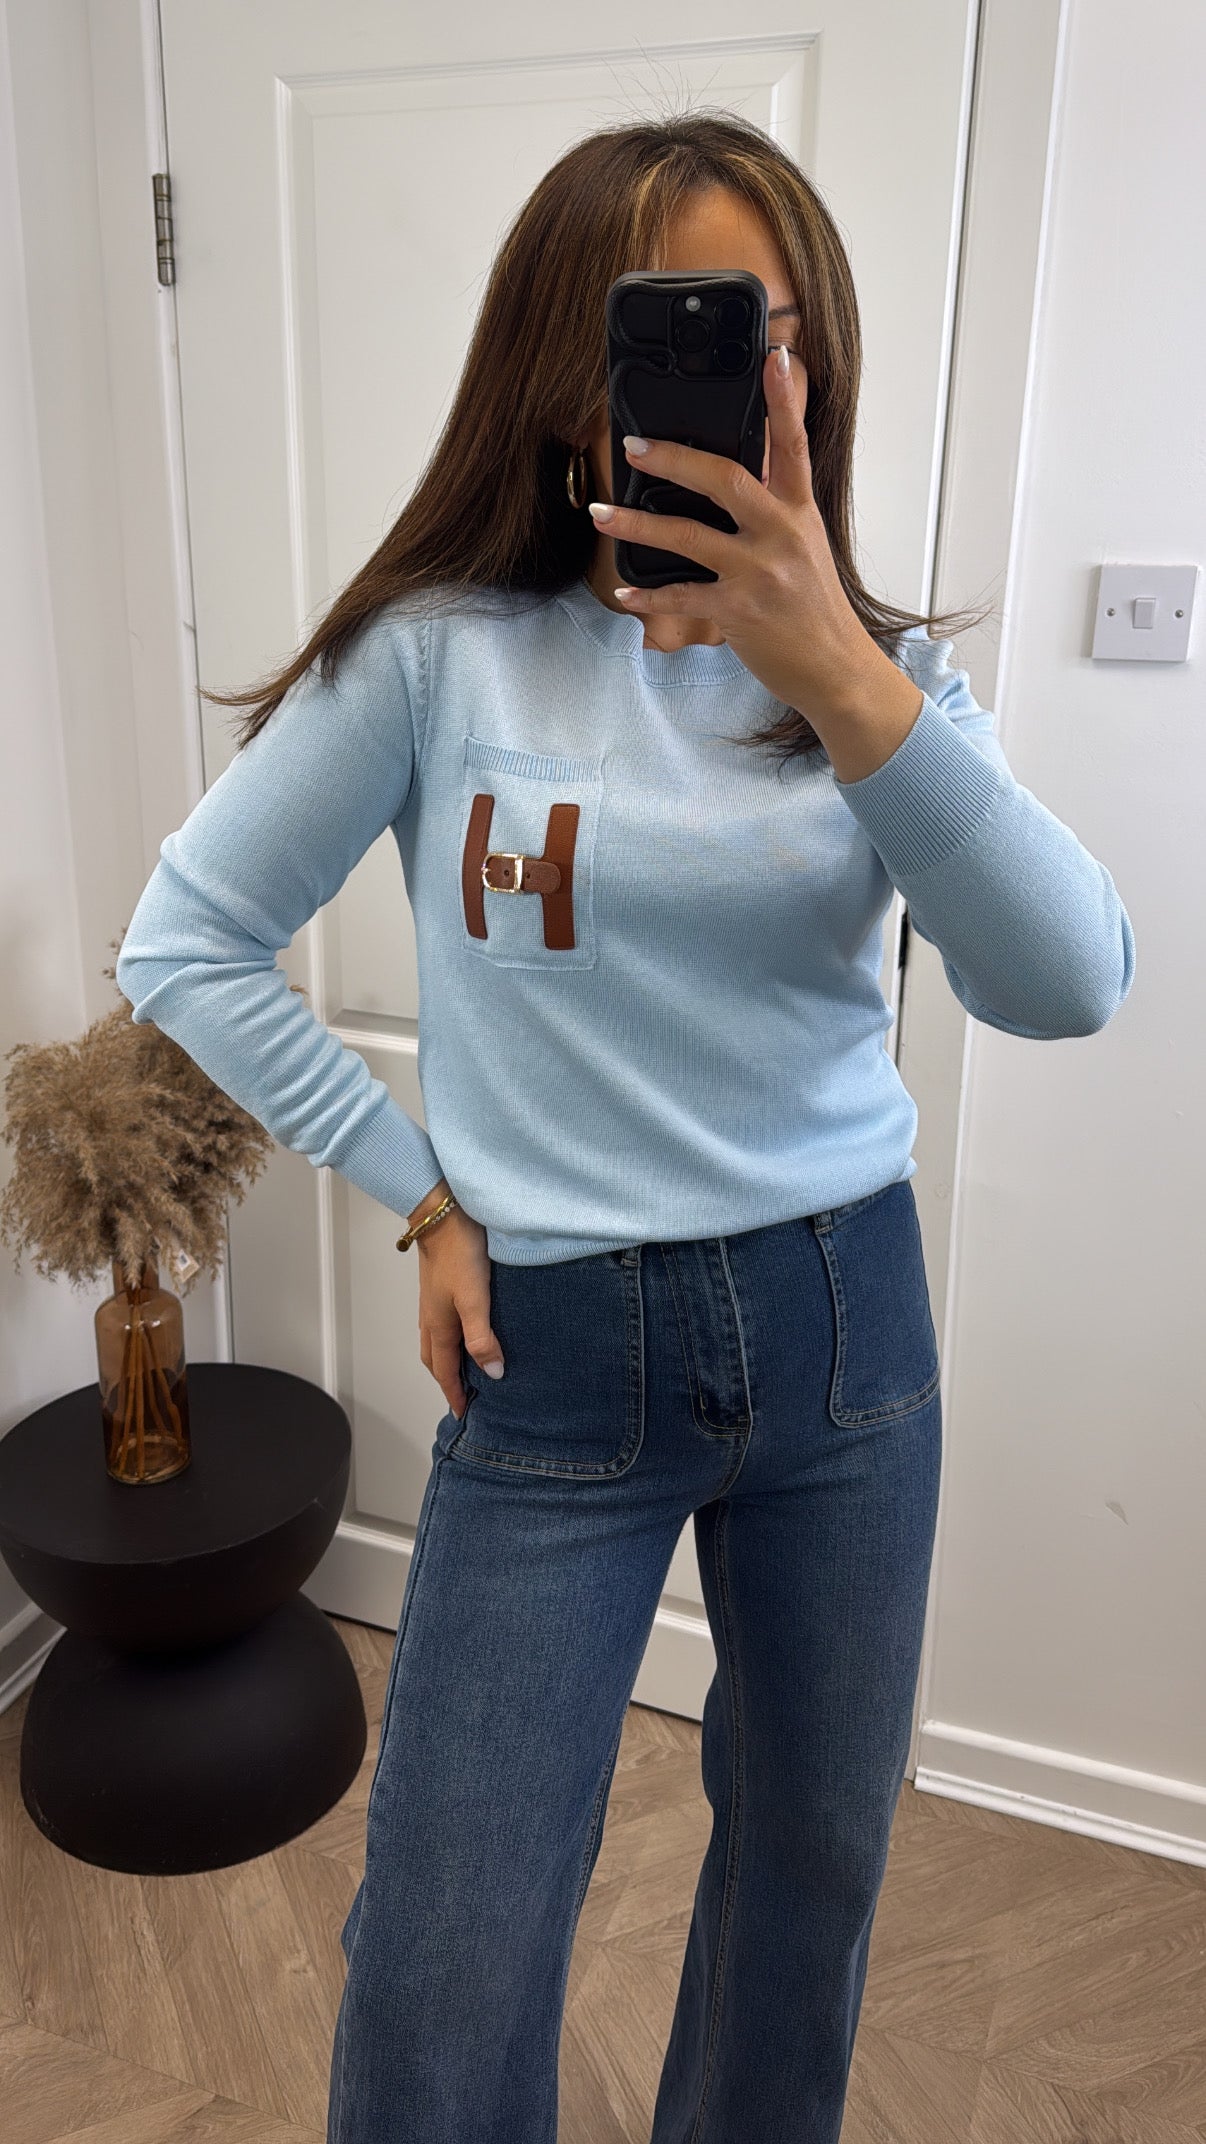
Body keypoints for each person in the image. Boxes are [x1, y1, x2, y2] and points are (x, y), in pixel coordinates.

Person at [115, 111, 1135, 2144]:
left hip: (847, 1341)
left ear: (810, 364)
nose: (731, 377)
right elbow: (188, 942)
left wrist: (840, 674)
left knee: (811, 1871)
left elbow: (1067, 980)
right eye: (668, 327)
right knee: (449, 1940)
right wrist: (419, 1195)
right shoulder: (438, 659)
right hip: (557, 1354)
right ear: (564, 368)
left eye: (765, 332)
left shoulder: (882, 686)